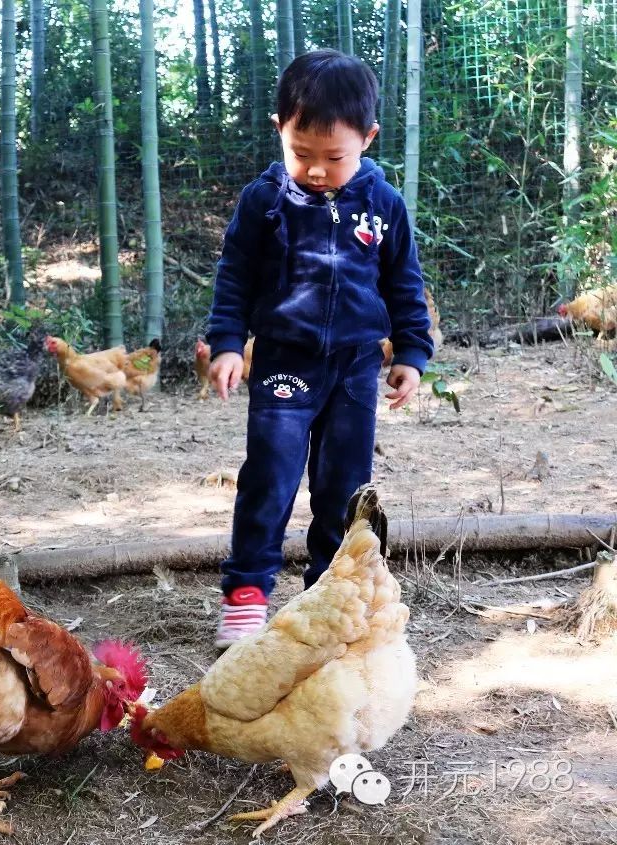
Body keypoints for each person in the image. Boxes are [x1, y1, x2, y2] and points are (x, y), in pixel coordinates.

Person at [206, 49, 434, 648]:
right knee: (271, 476)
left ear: (368, 139)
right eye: (300, 153)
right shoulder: (265, 203)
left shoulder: (384, 205)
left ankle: (326, 594)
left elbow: (404, 282)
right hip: (284, 360)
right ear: (279, 130)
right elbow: (235, 276)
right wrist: (229, 343)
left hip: (358, 367)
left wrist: (412, 352)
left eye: (333, 157)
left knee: (343, 486)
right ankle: (248, 592)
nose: (315, 170)